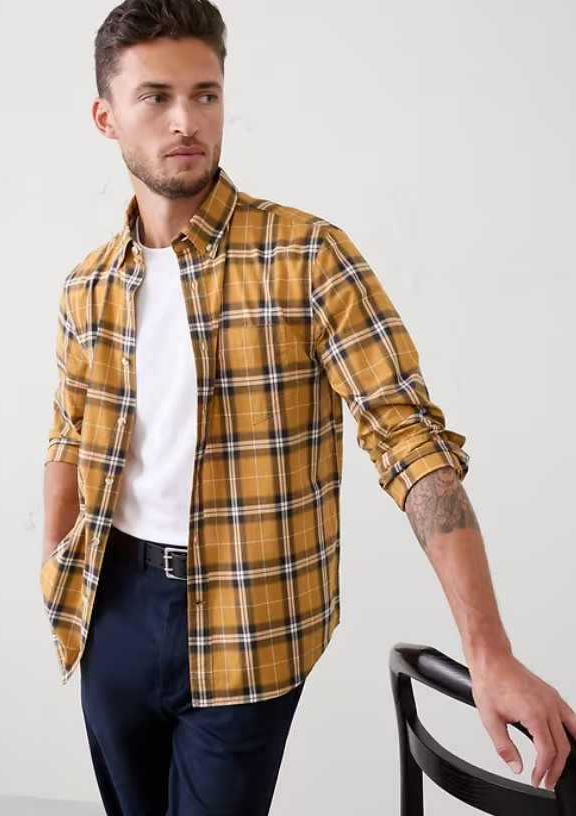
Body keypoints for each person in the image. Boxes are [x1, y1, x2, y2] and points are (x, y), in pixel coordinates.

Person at [40, 0, 576, 813]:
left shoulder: (306, 257)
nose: (187, 120)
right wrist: (56, 567)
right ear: (105, 117)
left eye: (205, 94)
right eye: (156, 96)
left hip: (251, 620)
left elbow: (408, 441)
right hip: (110, 611)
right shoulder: (89, 284)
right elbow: (69, 431)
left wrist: (488, 650)